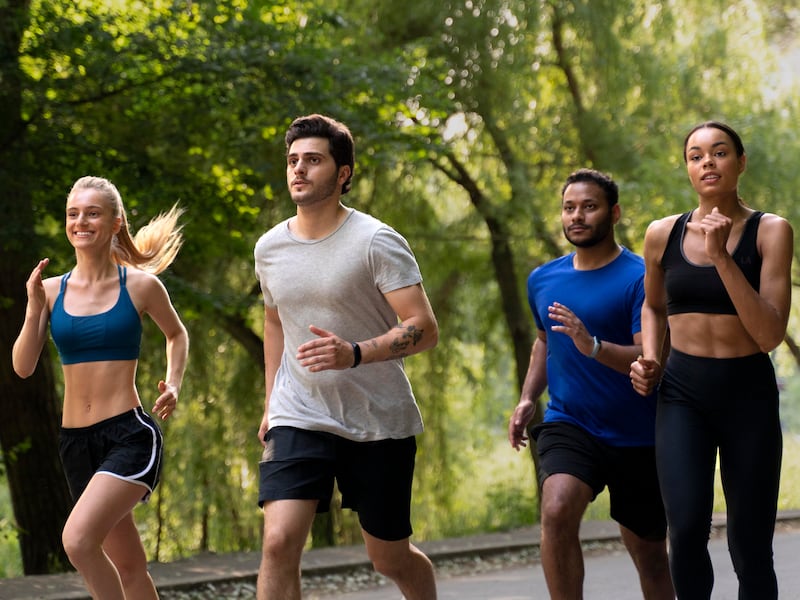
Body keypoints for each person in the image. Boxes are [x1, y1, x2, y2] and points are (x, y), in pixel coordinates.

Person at [253, 114, 439, 600]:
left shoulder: (376, 241)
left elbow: (423, 328)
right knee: (278, 542)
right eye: (293, 160)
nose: (298, 169)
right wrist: (271, 402)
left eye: (312, 160)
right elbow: (275, 322)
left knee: (389, 557)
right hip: (299, 412)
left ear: (343, 173)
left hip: (377, 419)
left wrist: (354, 353)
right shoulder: (269, 248)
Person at [630, 121, 792, 599]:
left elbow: (768, 335)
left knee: (750, 544)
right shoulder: (662, 234)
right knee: (683, 531)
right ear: (687, 169)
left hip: (748, 395)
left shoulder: (771, 231)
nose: (707, 163)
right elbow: (653, 306)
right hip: (682, 395)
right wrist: (650, 358)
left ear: (740, 164)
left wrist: (722, 258)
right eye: (696, 155)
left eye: (719, 153)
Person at [12, 176, 188, 600]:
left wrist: (175, 384)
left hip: (128, 435)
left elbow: (177, 335)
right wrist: (34, 306)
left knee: (77, 541)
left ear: (115, 223)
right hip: (76, 444)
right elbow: (22, 367)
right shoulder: (51, 292)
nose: (81, 221)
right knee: (129, 566)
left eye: (92, 213)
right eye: (74, 213)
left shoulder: (140, 286)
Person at [508, 168, 674, 600]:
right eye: (569, 207)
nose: (577, 216)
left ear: (614, 213)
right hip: (571, 422)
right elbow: (544, 342)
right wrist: (528, 398)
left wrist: (594, 346)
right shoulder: (542, 279)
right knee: (557, 508)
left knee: (652, 557)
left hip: (638, 434)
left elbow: (649, 356)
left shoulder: (640, 277)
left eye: (589, 206)